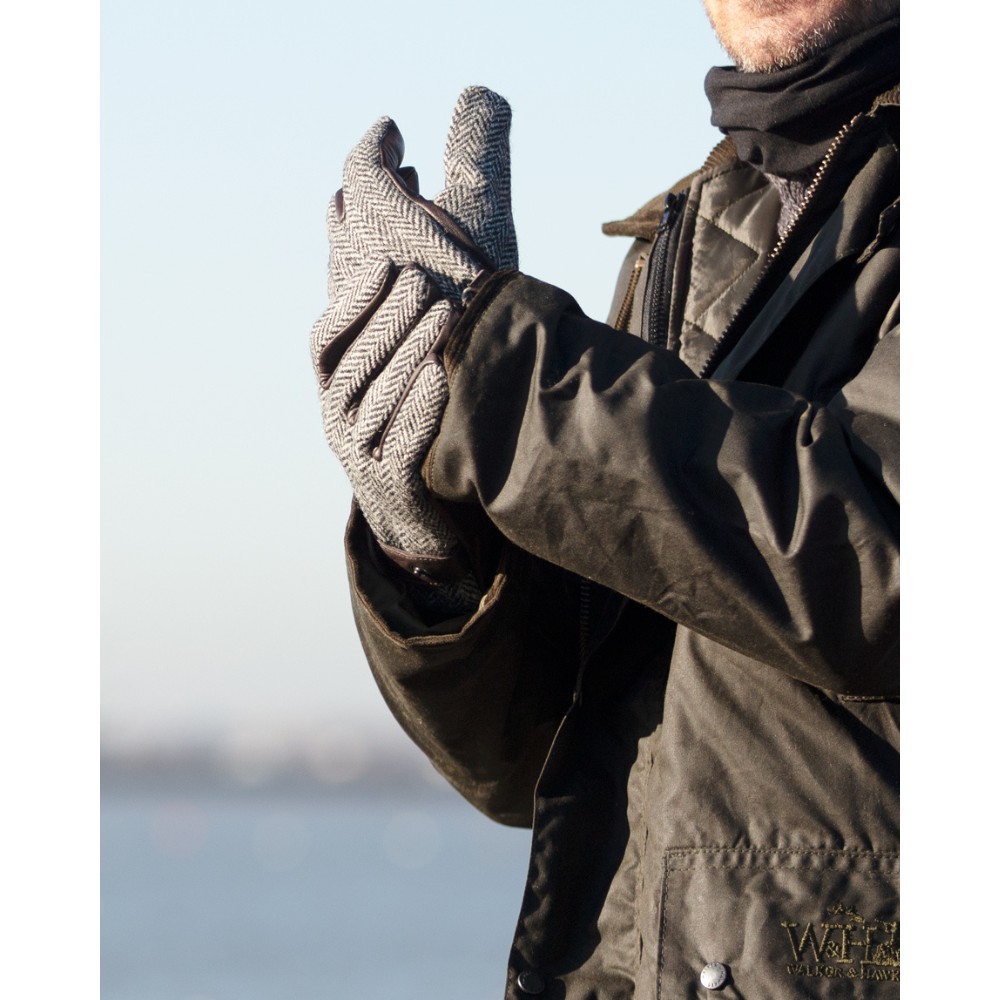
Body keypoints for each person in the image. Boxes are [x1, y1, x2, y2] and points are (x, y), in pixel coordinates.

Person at [310, 0, 899, 996]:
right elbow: (537, 756)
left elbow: (886, 562)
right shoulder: (685, 237)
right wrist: (434, 547)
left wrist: (499, 383)